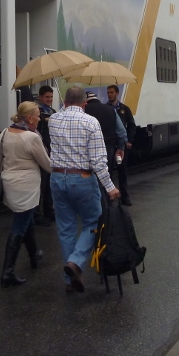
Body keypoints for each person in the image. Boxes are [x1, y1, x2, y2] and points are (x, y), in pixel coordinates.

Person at [48, 86, 120, 293]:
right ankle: (76, 263)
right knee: (94, 221)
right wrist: (110, 187)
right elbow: (98, 161)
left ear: (64, 102)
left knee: (66, 228)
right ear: (84, 103)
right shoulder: (90, 122)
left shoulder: (53, 120)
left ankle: (70, 278)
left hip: (57, 178)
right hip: (82, 179)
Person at [0, 101, 51, 287]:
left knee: (27, 218)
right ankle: (7, 272)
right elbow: (47, 165)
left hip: (10, 183)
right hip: (27, 186)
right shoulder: (31, 138)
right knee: (20, 224)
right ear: (30, 118)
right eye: (38, 115)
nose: (40, 119)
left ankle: (34, 255)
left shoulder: (5, 132)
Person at [106, 84, 136, 206]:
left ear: (117, 93)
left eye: (111, 93)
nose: (109, 95)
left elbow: (131, 125)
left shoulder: (124, 109)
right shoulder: (106, 108)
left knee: (122, 171)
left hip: (122, 145)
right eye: (108, 93)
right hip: (111, 144)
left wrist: (130, 140)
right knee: (109, 171)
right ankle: (111, 196)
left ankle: (125, 196)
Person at [84, 90, 126, 176]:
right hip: (108, 147)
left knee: (91, 175)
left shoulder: (84, 110)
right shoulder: (111, 109)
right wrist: (121, 147)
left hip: (89, 148)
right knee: (106, 174)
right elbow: (121, 131)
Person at [34, 85, 56, 225]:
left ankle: (49, 211)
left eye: (51, 97)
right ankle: (37, 215)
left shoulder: (53, 111)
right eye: (47, 97)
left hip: (52, 152)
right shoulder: (38, 112)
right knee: (40, 186)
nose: (49, 99)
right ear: (41, 97)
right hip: (42, 152)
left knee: (49, 185)